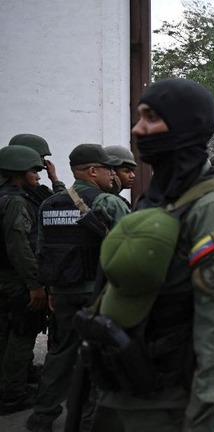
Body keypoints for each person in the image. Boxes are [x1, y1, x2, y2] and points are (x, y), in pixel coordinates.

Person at [87, 78, 214, 430]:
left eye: (151, 118)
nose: (138, 129)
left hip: (164, 401)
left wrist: (201, 421)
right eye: (139, 117)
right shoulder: (158, 198)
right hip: (118, 389)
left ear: (185, 124)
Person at [27, 144, 130, 430]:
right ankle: (90, 419)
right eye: (109, 168)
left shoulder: (49, 204)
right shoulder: (108, 202)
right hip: (99, 293)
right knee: (100, 355)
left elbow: (41, 249)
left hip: (62, 292)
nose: (113, 174)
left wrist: (48, 289)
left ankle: (42, 415)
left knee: (60, 354)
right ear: (93, 171)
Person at [0, 145, 46, 415]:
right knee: (22, 333)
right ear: (18, 173)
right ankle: (13, 394)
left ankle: (9, 384)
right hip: (18, 280)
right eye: (34, 171)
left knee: (5, 333)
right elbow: (19, 245)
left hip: (4, 277)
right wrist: (35, 284)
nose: (38, 176)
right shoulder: (16, 201)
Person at [7, 134, 66, 206]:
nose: (44, 161)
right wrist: (55, 179)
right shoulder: (20, 194)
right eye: (42, 157)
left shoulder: (27, 187)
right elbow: (65, 204)